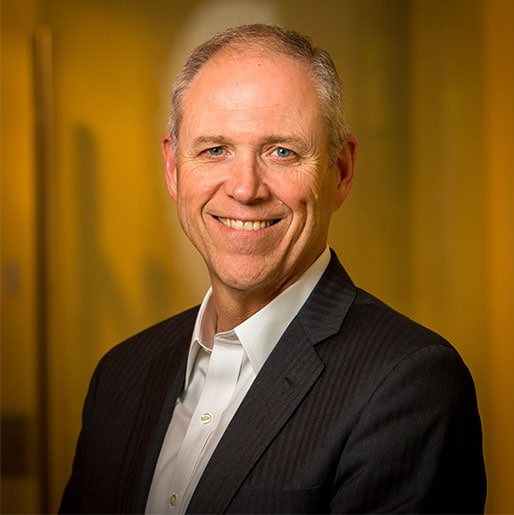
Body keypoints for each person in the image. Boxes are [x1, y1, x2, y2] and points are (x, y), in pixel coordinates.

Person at [59, 23, 486, 514]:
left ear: (340, 172)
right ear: (174, 169)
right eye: (215, 150)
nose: (245, 189)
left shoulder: (409, 385)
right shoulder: (120, 375)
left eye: (281, 151)